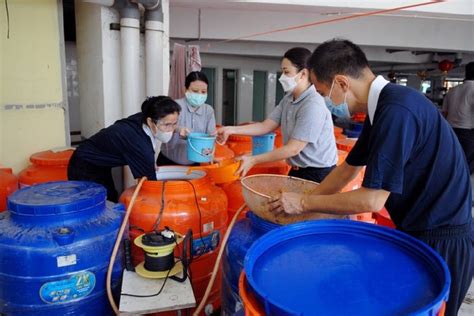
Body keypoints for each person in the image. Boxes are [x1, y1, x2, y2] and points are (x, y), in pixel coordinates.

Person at [269, 39, 473, 316]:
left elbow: (373, 199)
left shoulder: (397, 111)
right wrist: (304, 200)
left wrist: (304, 205)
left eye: (321, 92)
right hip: (419, 227)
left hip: (443, 238)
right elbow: (347, 169)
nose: (324, 102)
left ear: (341, 83)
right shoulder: (384, 107)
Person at [217, 47, 338, 182]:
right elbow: (265, 126)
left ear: (303, 74)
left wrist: (253, 160)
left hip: (319, 174)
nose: (282, 77)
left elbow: (293, 149)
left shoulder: (312, 105)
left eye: (286, 72)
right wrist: (230, 129)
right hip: (297, 169)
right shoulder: (288, 99)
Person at [68, 96, 181, 202]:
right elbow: (150, 186)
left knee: (110, 197)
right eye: (167, 125)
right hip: (84, 164)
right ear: (150, 122)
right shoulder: (139, 143)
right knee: (93, 204)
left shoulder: (144, 117)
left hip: (101, 164)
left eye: (174, 123)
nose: (171, 129)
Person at [157, 71, 217, 166]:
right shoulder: (174, 106)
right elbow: (161, 127)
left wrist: (209, 155)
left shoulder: (208, 111)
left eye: (203, 92)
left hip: (194, 162)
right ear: (185, 89)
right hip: (168, 161)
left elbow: (211, 137)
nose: (199, 95)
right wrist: (178, 129)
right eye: (195, 91)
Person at [442, 62, 474, 174]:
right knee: (466, 166)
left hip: (451, 130)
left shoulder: (453, 90)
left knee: (453, 159)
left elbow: (444, 113)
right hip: (468, 132)